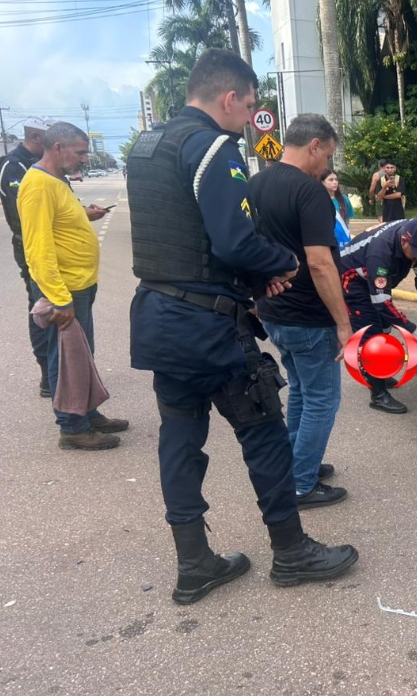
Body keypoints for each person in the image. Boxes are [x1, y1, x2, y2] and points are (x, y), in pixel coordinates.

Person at [127, 48, 357, 605]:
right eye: (249, 105)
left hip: (158, 315)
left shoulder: (145, 147)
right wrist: (280, 266)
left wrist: (253, 283)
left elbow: (193, 240)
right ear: (229, 98)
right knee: (264, 433)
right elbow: (233, 240)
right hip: (208, 325)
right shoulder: (212, 148)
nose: (250, 116)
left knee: (179, 440)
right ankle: (292, 551)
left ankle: (194, 563)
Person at [251, 115, 354, 511]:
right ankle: (301, 483)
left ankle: (294, 465)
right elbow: (321, 263)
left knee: (301, 391)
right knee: (322, 400)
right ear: (314, 145)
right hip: (309, 316)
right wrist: (343, 324)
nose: (326, 166)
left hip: (273, 310)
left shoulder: (257, 183)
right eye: (326, 155)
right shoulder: (310, 193)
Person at [18, 122, 128, 451]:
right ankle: (72, 427)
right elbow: (37, 249)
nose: (85, 158)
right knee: (65, 359)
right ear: (57, 148)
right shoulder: (37, 184)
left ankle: (87, 413)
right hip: (63, 291)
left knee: (81, 356)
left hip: (79, 286)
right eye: (80, 152)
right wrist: (58, 298)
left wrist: (85, 215)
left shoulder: (56, 180)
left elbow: (60, 220)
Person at [339, 218, 417, 414]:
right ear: (404, 242)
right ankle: (377, 395)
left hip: (375, 275)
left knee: (386, 326)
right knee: (372, 334)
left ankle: (379, 373)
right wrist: (411, 329)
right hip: (352, 279)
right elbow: (381, 302)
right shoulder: (381, 252)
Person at [1, 116, 51, 397]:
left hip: (49, 245)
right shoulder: (13, 167)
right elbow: (25, 215)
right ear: (35, 138)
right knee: (41, 307)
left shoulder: (38, 164)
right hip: (31, 247)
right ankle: (47, 372)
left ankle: (62, 371)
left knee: (56, 308)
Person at [320, 168, 354, 251]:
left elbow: (347, 220)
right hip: (326, 240)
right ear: (322, 182)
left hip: (343, 239)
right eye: (331, 180)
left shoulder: (344, 199)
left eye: (336, 179)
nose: (335, 182)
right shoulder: (318, 200)